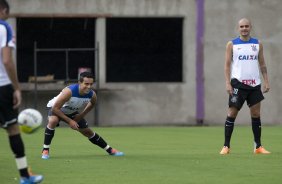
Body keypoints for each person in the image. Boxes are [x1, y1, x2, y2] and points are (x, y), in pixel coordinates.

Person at [0, 0, 44, 183]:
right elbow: (7, 61)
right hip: (2, 86)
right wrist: (17, 88)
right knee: (13, 129)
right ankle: (25, 176)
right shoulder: (4, 27)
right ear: (4, 11)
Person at [41, 71, 124, 159]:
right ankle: (45, 150)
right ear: (79, 82)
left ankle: (110, 150)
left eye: (91, 84)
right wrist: (70, 121)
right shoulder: (69, 92)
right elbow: (55, 108)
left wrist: (82, 115)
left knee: (87, 132)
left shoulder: (92, 94)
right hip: (55, 108)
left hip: (71, 112)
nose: (89, 87)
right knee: (53, 121)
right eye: (86, 84)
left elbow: (92, 104)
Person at [220, 18, 271, 155]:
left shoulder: (257, 44)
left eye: (246, 26)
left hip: (254, 84)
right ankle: (226, 146)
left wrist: (266, 81)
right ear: (238, 28)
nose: (244, 28)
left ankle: (258, 147)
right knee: (232, 113)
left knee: (256, 114)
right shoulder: (232, 44)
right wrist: (227, 82)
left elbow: (262, 64)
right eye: (242, 26)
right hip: (238, 84)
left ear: (250, 27)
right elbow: (226, 65)